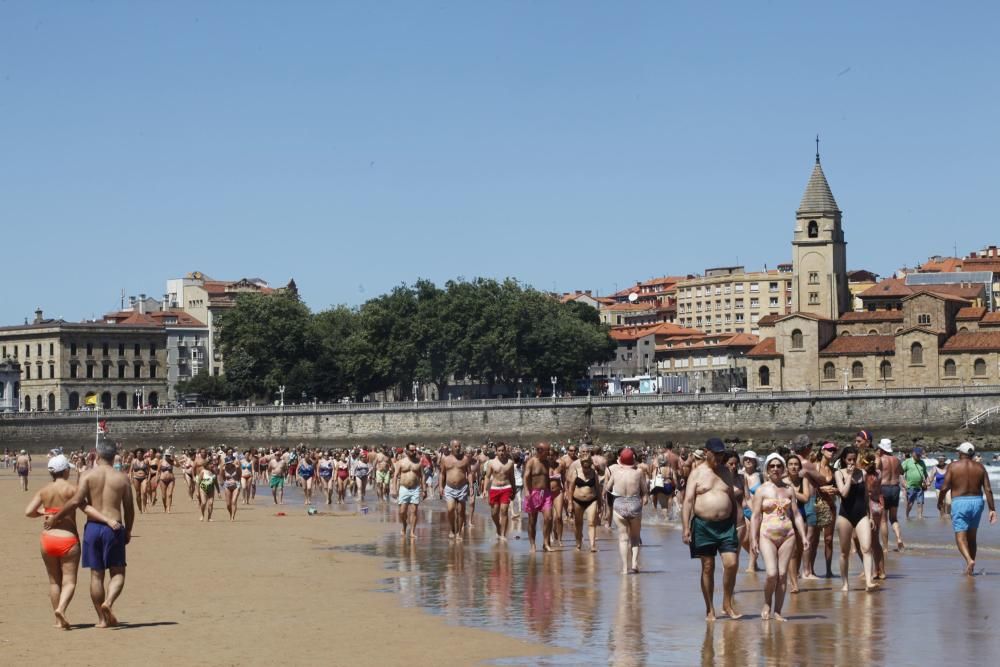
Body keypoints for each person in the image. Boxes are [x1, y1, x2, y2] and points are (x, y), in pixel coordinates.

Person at [45, 438, 134, 629]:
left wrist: (56, 517)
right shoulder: (122, 478)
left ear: (97, 454)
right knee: (118, 573)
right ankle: (108, 603)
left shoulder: (86, 475)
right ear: (114, 456)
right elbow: (129, 508)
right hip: (114, 527)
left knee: (96, 575)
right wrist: (129, 530)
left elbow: (77, 502)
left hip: (93, 527)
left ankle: (102, 619)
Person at [25, 455, 114, 629]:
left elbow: (29, 511)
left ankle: (58, 620)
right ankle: (61, 609)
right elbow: (86, 508)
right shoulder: (72, 490)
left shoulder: (44, 490)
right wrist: (106, 519)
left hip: (48, 539)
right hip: (68, 539)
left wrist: (45, 513)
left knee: (53, 582)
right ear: (65, 470)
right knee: (69, 581)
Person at [683, 437, 742, 621]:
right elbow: (688, 501)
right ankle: (709, 608)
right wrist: (686, 527)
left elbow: (732, 498)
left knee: (731, 563)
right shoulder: (697, 473)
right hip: (703, 526)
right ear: (706, 451)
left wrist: (738, 522)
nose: (718, 457)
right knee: (708, 567)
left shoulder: (726, 472)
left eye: (721, 454)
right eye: (715, 453)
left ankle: (727, 603)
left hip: (726, 526)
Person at [750, 454, 807, 621]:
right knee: (771, 573)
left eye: (778, 466)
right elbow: (755, 516)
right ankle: (767, 603)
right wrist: (753, 539)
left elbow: (796, 514)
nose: (775, 469)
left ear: (783, 469)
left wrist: (803, 536)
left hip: (788, 535)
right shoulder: (761, 490)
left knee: (783, 574)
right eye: (772, 466)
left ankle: (778, 611)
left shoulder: (789, 489)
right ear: (767, 469)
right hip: (767, 535)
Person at [940, 442, 996, 575]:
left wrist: (940, 501)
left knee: (960, 537)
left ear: (960, 453)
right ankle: (971, 568)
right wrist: (992, 509)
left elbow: (944, 487)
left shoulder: (953, 466)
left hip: (960, 502)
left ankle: (969, 560)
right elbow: (988, 489)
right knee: (972, 537)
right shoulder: (980, 467)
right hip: (977, 502)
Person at [834, 447, 876, 592]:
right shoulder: (839, 473)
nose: (852, 462)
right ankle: (845, 583)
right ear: (844, 460)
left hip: (861, 515)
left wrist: (870, 516)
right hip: (845, 515)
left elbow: (866, 496)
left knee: (866, 548)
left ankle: (869, 581)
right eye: (849, 459)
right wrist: (850, 477)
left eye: (854, 459)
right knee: (844, 552)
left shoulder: (863, 473)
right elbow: (844, 494)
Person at [607, 447, 648, 574]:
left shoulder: (615, 472)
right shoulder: (639, 472)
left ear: (620, 459)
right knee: (635, 537)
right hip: (634, 503)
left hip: (619, 504)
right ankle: (634, 563)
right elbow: (644, 490)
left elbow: (607, 488)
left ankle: (625, 568)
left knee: (623, 538)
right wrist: (644, 498)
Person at [784, 454, 814, 590]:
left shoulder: (804, 480)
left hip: (802, 517)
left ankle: (794, 574)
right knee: (793, 551)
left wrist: (792, 490)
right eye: (790, 464)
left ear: (800, 467)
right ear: (786, 467)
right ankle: (794, 583)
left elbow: (806, 498)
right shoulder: (783, 480)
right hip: (786, 518)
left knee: (801, 550)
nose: (793, 466)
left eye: (796, 464)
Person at [567, 449, 603, 552]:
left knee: (592, 523)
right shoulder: (576, 472)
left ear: (590, 464)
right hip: (577, 501)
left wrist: (600, 504)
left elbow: (597, 489)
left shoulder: (594, 473)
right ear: (581, 464)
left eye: (588, 466)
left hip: (592, 500)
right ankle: (578, 544)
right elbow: (571, 489)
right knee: (578, 523)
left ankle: (592, 545)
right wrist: (570, 503)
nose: (586, 468)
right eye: (584, 466)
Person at [523, 443, 554, 552]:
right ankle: (532, 544)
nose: (549, 453)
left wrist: (550, 492)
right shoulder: (531, 462)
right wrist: (526, 491)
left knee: (549, 518)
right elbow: (526, 476)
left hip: (545, 493)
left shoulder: (547, 462)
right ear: (540, 451)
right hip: (533, 493)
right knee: (532, 521)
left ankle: (546, 543)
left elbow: (547, 479)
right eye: (547, 451)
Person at [392, 442, 426, 540]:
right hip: (404, 488)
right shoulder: (401, 462)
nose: (414, 451)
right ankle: (404, 525)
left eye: (415, 450)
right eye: (411, 450)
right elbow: (395, 476)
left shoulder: (419, 462)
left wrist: (424, 490)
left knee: (414, 511)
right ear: (406, 451)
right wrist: (394, 489)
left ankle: (412, 532)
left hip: (415, 488)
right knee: (402, 512)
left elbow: (423, 476)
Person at [439, 440, 472, 541]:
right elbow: (442, 474)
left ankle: (458, 533)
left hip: (462, 487)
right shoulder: (445, 459)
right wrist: (441, 486)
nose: (457, 448)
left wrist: (471, 486)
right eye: (455, 446)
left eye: (459, 446)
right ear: (451, 447)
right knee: (450, 509)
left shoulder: (465, 459)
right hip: (449, 487)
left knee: (461, 511)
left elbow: (469, 473)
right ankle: (452, 529)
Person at [483, 442, 516, 541]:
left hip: (506, 487)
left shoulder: (510, 463)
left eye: (503, 450)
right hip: (494, 488)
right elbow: (487, 477)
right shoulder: (491, 463)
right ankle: (498, 526)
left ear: (505, 450)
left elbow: (512, 477)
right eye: (499, 451)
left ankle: (502, 535)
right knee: (494, 513)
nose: (501, 452)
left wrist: (514, 490)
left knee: (504, 510)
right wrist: (484, 489)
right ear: (496, 451)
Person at [876, 439, 905, 551]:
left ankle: (885, 547)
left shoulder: (880, 460)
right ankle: (898, 538)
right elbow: (901, 471)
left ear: (882, 449)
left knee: (883, 520)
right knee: (893, 518)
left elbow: (875, 472)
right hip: (895, 488)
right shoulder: (896, 460)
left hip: (883, 488)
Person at [902, 447, 928, 520]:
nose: (919, 456)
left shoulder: (922, 462)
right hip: (910, 486)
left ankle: (920, 516)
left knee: (920, 503)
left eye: (919, 455)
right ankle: (907, 516)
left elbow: (925, 474)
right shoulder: (907, 462)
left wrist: (927, 481)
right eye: (917, 455)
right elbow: (900, 473)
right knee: (910, 503)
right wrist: (903, 482)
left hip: (920, 486)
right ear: (913, 453)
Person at [221, 457, 240, 521]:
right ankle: (230, 514)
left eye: (230, 463)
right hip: (227, 485)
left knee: (234, 501)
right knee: (228, 504)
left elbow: (240, 475)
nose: (229, 464)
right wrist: (224, 482)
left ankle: (233, 517)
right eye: (228, 463)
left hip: (236, 485)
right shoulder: (224, 469)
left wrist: (238, 468)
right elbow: (223, 477)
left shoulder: (236, 467)